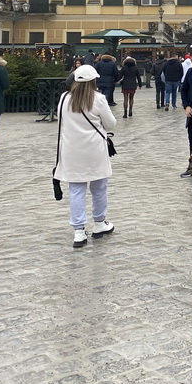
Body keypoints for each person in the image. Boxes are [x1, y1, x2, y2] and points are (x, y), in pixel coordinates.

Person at [54, 64, 117, 248]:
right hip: (94, 150)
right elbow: (111, 123)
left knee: (76, 189)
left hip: (72, 150)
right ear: (93, 81)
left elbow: (60, 121)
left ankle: (79, 231)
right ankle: (99, 223)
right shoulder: (98, 99)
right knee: (99, 187)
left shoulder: (65, 98)